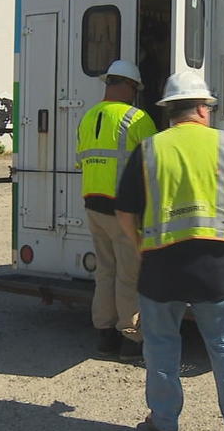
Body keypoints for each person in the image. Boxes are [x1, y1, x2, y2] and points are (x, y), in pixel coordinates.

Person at [115, 71, 224, 431]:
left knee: (162, 354)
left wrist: (141, 246)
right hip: (215, 269)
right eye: (208, 107)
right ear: (201, 108)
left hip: (161, 270)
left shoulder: (149, 149)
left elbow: (125, 212)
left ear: (170, 110)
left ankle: (164, 423)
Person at [76, 59, 157, 361]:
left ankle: (104, 336)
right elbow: (156, 164)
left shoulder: (87, 117)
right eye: (134, 88)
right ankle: (130, 339)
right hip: (123, 209)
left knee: (105, 272)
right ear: (127, 86)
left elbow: (81, 160)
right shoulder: (138, 118)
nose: (135, 94)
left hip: (93, 204)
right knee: (128, 276)